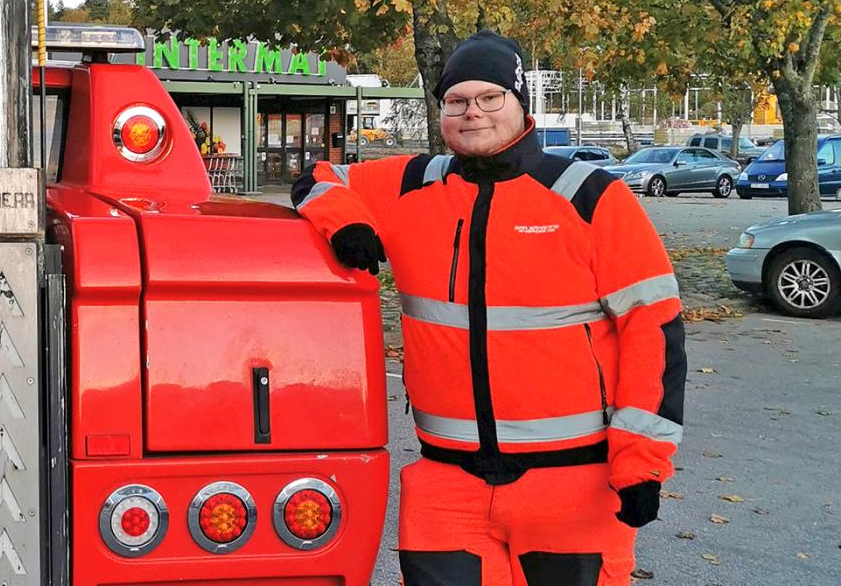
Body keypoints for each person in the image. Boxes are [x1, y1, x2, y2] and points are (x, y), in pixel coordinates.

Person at [292, 30, 685, 586]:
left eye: (489, 98)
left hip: (572, 487)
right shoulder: (411, 185)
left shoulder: (589, 196)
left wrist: (641, 464)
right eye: (456, 101)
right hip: (446, 487)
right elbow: (317, 179)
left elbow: (655, 329)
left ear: (520, 103)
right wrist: (347, 222)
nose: (472, 113)